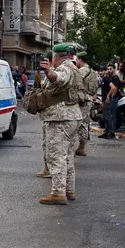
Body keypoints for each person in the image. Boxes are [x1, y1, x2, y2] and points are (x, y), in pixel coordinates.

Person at [38, 44, 83, 205]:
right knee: (68, 156)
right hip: (72, 116)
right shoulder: (74, 67)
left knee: (56, 155)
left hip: (61, 118)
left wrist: (49, 72)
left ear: (56, 57)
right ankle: (69, 190)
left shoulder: (64, 68)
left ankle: (58, 192)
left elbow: (58, 78)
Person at [75, 52, 98, 156]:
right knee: (84, 123)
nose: (76, 62)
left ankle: (81, 147)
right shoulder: (92, 71)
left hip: (82, 100)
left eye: (77, 60)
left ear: (80, 60)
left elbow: (74, 82)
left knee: (79, 123)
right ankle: (81, 147)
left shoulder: (82, 70)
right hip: (88, 99)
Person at [36, 51, 54, 178]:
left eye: (46, 61)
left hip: (54, 115)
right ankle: (47, 168)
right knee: (46, 144)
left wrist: (49, 71)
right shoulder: (47, 75)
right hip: (47, 114)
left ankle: (52, 171)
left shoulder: (55, 73)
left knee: (52, 145)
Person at [99, 64, 121, 139]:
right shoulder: (105, 79)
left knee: (109, 117)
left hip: (108, 101)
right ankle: (107, 132)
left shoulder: (107, 79)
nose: (100, 72)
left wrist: (109, 96)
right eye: (100, 71)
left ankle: (111, 133)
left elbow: (114, 88)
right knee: (106, 117)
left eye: (102, 71)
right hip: (105, 100)